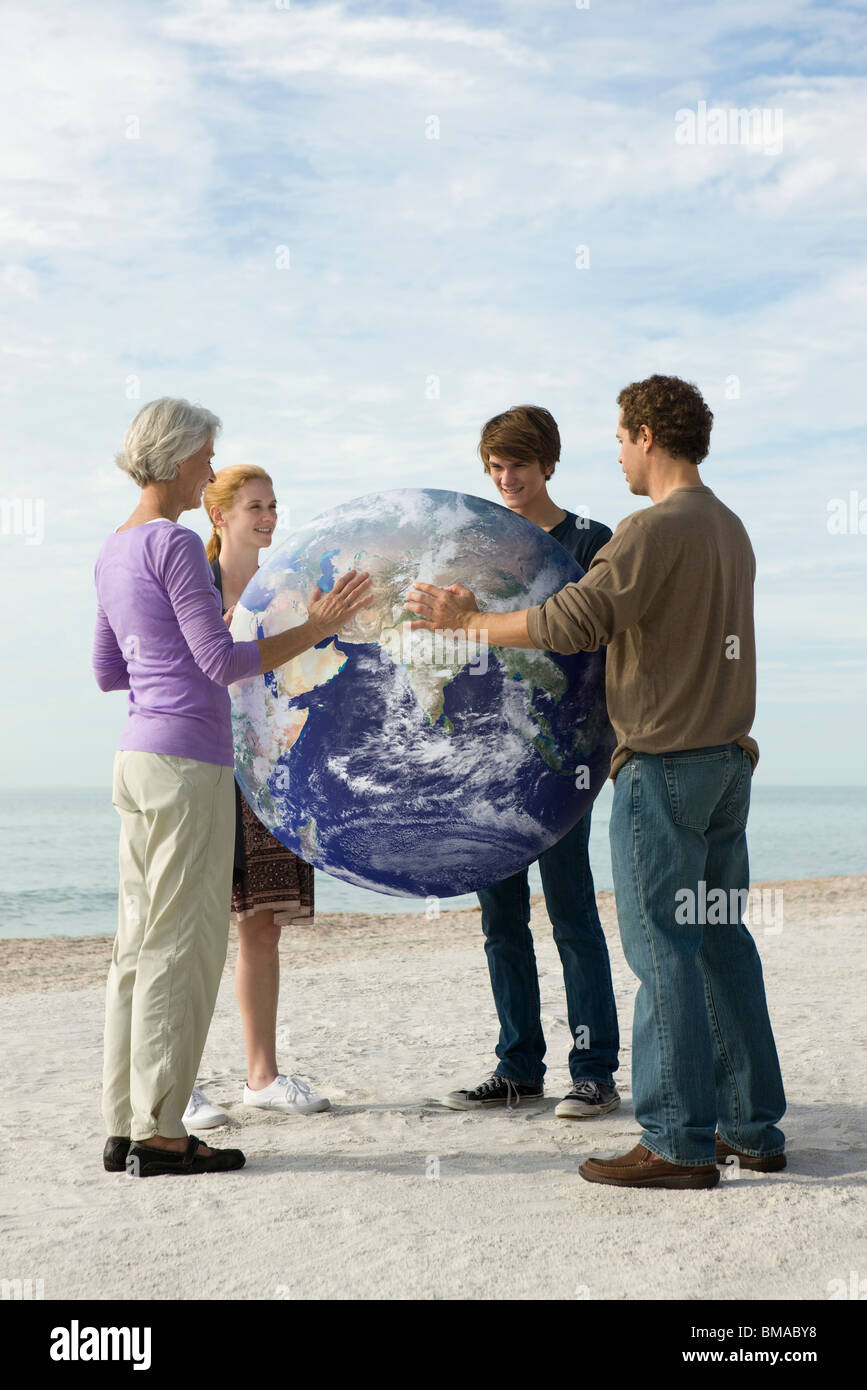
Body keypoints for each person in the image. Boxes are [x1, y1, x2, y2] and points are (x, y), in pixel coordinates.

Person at [408, 375, 786, 1190]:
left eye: (619, 436)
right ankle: (752, 1129)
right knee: (723, 943)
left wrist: (467, 620)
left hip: (664, 771)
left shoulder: (649, 532)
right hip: (727, 766)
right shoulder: (730, 528)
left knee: (663, 955)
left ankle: (677, 1142)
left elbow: (570, 622)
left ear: (648, 434)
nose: (616, 452)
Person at [93, 397, 371, 1177]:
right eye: (206, 459)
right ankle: (163, 1134)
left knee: (137, 946)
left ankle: (126, 1122)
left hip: (136, 760)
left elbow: (108, 671)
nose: (211, 472)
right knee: (184, 948)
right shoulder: (176, 545)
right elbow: (221, 662)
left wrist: (163, 679)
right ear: (178, 459)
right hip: (189, 763)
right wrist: (314, 628)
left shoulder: (113, 551)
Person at [440, 406, 621, 1118]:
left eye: (516, 463)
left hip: (565, 756)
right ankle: (517, 1066)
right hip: (490, 753)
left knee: (572, 910)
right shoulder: (479, 549)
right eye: (493, 466)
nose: (504, 477)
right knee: (500, 918)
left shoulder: (591, 541)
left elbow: (600, 645)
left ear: (547, 462)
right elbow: (465, 650)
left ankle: (593, 1071)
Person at [182, 464, 329, 1130]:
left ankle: (261, 1077)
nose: (268, 517)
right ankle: (177, 1082)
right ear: (219, 515)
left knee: (261, 927)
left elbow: (306, 672)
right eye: (253, 507)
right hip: (210, 765)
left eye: (272, 505)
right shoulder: (198, 583)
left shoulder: (281, 590)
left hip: (274, 772)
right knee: (194, 929)